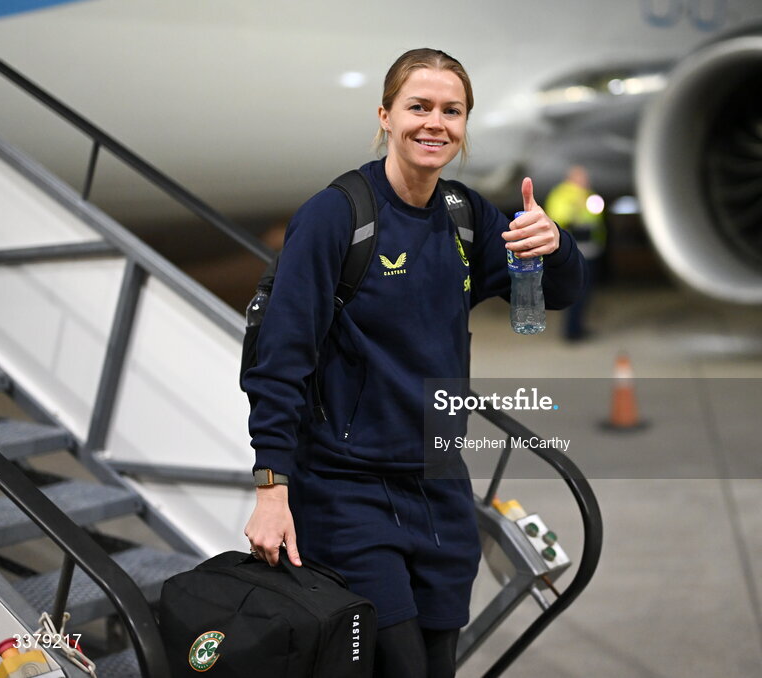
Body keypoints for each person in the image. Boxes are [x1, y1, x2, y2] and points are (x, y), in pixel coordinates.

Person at [242, 48, 584, 677]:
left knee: (437, 667)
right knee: (394, 665)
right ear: (385, 115)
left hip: (438, 485)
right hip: (347, 490)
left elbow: (553, 297)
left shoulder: (465, 216)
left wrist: (553, 247)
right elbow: (280, 358)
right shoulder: (337, 216)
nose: (435, 124)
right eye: (418, 107)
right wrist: (272, 485)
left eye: (452, 111)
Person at [544, 165, 605, 341]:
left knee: (586, 293)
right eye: (581, 178)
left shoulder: (588, 194)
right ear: (571, 178)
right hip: (575, 250)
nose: (585, 181)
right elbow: (558, 219)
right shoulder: (562, 194)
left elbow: (596, 217)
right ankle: (571, 332)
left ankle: (578, 327)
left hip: (591, 249)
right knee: (577, 292)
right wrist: (576, 210)